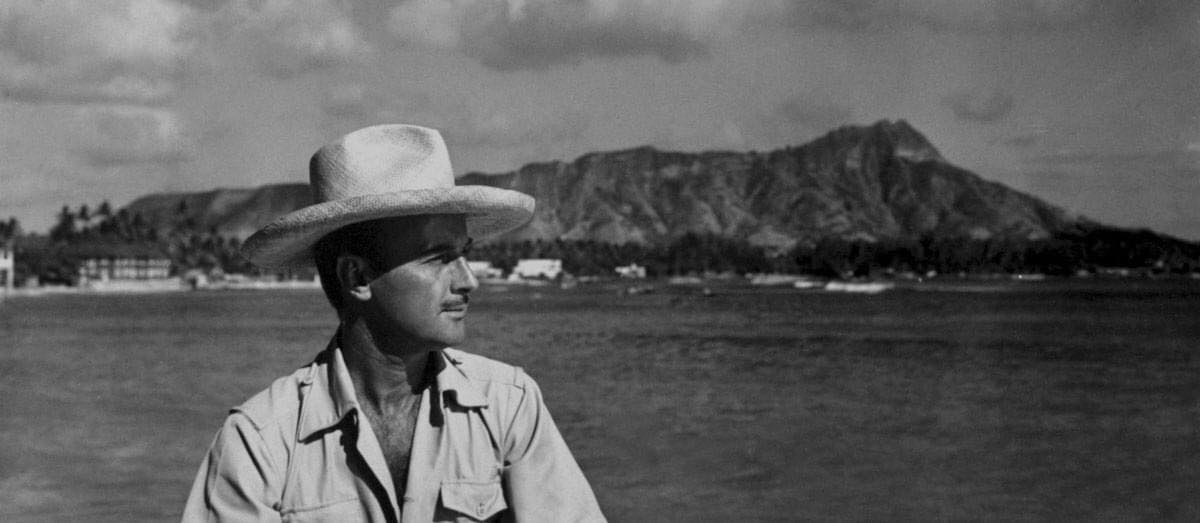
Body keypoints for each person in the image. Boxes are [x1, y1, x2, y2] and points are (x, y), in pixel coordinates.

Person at [183, 124, 605, 522]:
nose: (469, 280)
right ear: (358, 278)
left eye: (464, 253)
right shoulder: (259, 442)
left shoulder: (508, 406)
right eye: (438, 257)